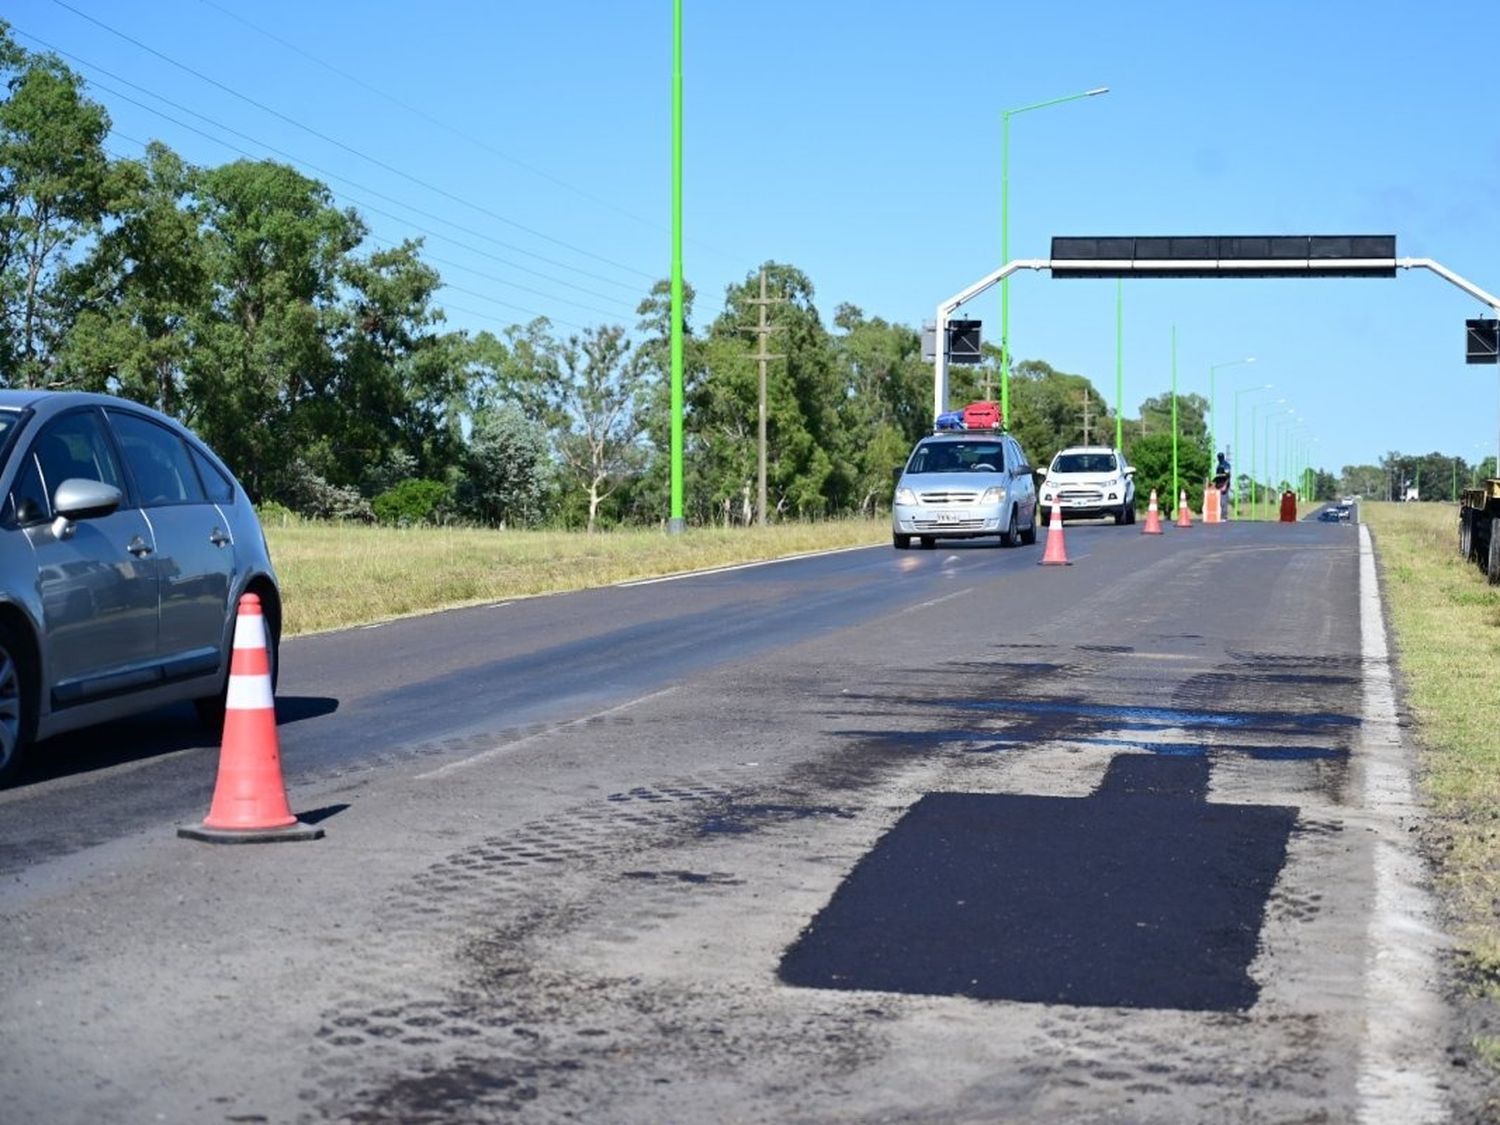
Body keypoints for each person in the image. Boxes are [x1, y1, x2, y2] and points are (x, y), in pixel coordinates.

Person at [1214, 452, 1232, 519]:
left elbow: (1228, 476)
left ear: (1223, 457)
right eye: (1218, 457)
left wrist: (1225, 485)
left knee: (1223, 502)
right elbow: (1218, 476)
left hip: (1224, 485)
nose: (1219, 459)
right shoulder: (1218, 465)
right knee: (1219, 502)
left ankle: (1224, 517)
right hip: (1218, 485)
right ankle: (1219, 516)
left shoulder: (1226, 465)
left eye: (1220, 457)